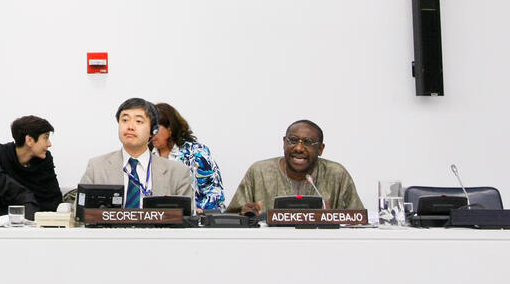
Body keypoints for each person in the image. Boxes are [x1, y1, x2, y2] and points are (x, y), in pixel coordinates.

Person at [226, 120, 364, 215]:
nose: (299, 148)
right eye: (293, 140)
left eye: (307, 142)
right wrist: (245, 214)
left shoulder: (336, 174)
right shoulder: (259, 172)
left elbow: (359, 220)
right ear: (284, 142)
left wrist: (332, 217)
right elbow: (230, 220)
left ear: (320, 149)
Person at [79, 98, 195, 207]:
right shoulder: (97, 167)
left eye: (139, 121)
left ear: (153, 131)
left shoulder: (177, 172)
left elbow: (185, 217)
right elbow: (80, 212)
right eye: (125, 120)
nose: (130, 126)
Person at [0, 115, 62, 211]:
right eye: (45, 138)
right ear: (29, 140)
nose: (49, 144)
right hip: (1, 218)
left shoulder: (44, 160)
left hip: (38, 217)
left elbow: (55, 200)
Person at [152, 102, 225, 211]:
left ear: (170, 129)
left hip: (194, 218)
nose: (151, 133)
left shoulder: (196, 154)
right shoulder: (147, 155)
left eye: (156, 128)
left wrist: (198, 211)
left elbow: (215, 193)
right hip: (156, 217)